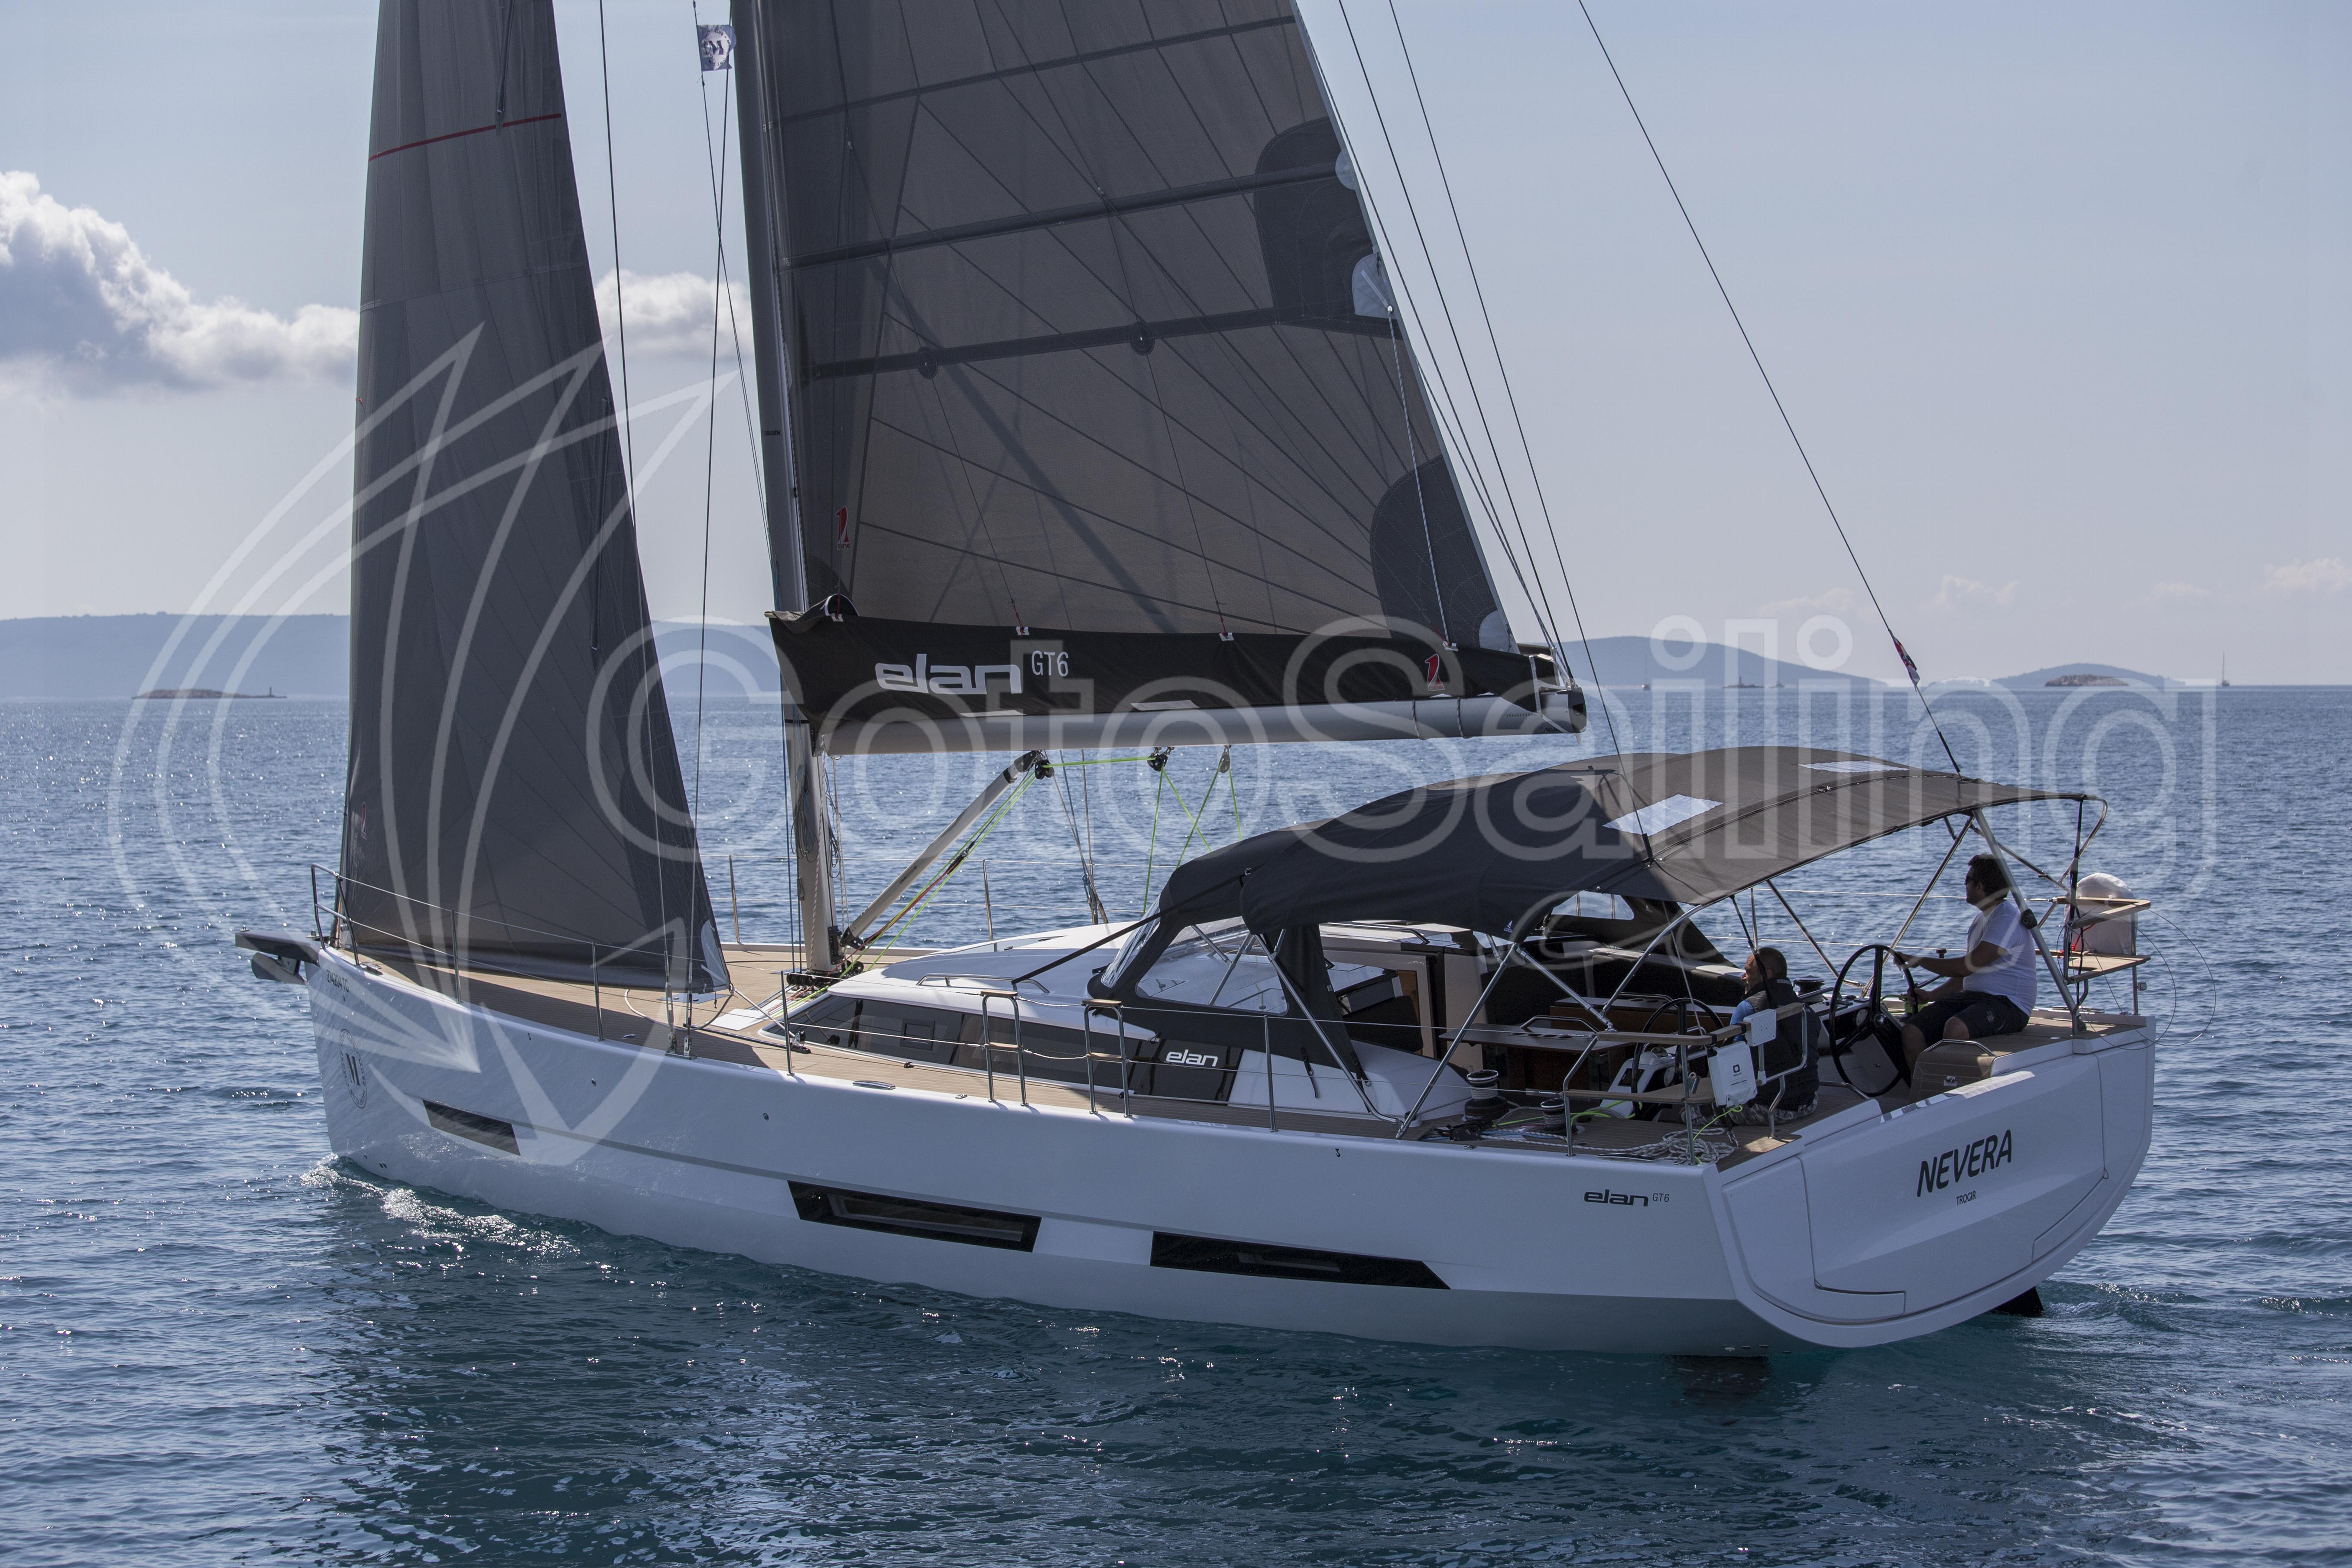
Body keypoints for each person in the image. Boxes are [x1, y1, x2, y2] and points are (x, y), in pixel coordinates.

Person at [1895, 853, 2038, 1070]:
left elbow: (1966, 967)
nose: (1964, 885)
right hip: (1974, 998)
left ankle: (1951, 1085)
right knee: (1912, 1031)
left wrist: (1920, 961)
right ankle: (1925, 1088)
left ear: (1980, 886)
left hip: (2009, 1004)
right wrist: (1932, 996)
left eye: (1967, 880)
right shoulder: (1981, 920)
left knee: (1956, 1028)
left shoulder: (2006, 919)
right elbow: (1967, 975)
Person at [1728, 946, 1816, 1121]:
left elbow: (1730, 1063)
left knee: (1688, 1114)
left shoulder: (1748, 1008)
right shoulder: (1806, 1009)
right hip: (1809, 1103)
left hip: (1768, 1109)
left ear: (1767, 974)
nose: (1743, 977)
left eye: (1748, 972)